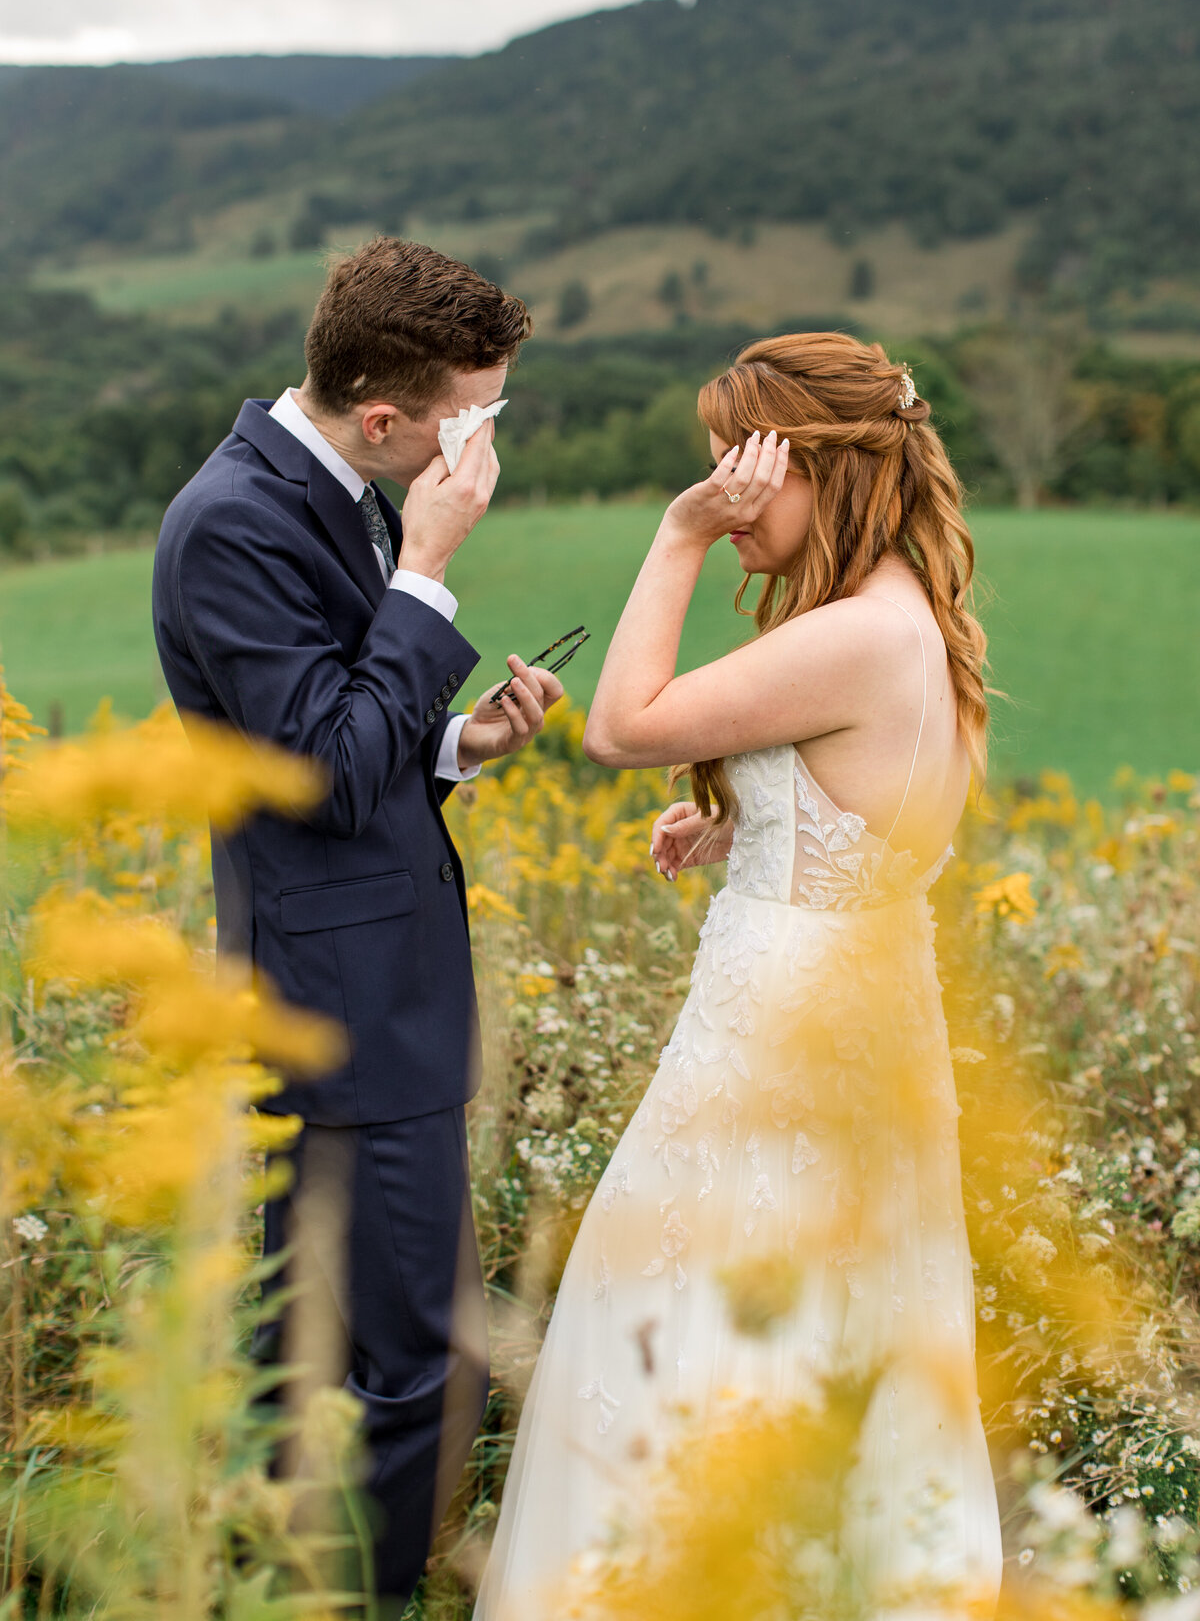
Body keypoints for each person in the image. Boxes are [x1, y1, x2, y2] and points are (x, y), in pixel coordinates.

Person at [474, 333, 1003, 1619]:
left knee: (700, 1332)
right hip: (854, 1024)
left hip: (778, 1059)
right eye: (712, 469)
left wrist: (677, 535)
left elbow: (618, 728)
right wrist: (749, 826)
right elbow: (881, 840)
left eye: (742, 462)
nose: (723, 484)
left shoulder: (862, 635)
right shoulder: (909, 629)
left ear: (818, 466)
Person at [152, 238, 562, 1611]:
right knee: (415, 1366)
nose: (485, 439)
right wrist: (429, 573)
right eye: (475, 412)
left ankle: (274, 1586)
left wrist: (458, 740)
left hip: (366, 986)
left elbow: (340, 736)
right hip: (340, 1015)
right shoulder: (236, 522)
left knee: (322, 1356)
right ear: (386, 415)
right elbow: (322, 778)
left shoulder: (335, 480)